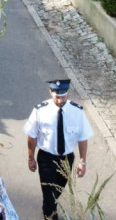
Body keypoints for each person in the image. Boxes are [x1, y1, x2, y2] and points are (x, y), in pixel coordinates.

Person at [24, 79, 92, 220]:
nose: (60, 100)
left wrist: (83, 161)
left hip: (67, 158)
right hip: (46, 159)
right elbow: (32, 136)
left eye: (63, 96)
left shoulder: (77, 112)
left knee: (58, 190)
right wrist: (30, 158)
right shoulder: (40, 110)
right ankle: (50, 213)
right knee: (49, 194)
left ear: (68, 94)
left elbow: (83, 137)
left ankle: (49, 207)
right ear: (50, 92)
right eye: (57, 96)